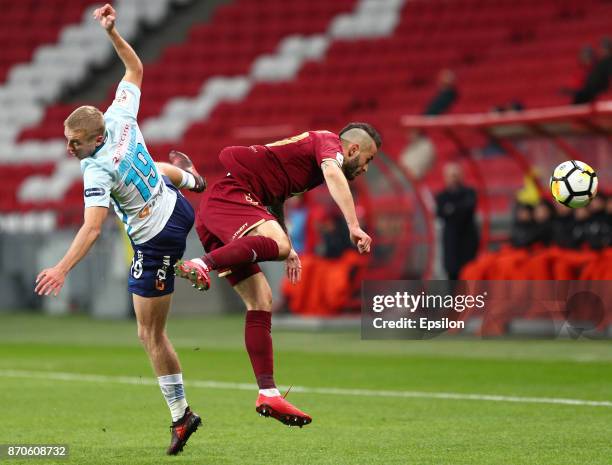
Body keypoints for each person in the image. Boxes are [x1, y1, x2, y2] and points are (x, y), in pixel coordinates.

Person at [34, 4, 205, 456]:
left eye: (74, 142)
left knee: (149, 334)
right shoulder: (119, 117)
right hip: (177, 208)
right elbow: (135, 66)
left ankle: (182, 415)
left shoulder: (95, 170)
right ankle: (193, 180)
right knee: (149, 166)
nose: (69, 147)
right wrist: (113, 32)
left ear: (93, 140)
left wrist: (62, 268)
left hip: (156, 237)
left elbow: (92, 230)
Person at [175, 123, 381, 427]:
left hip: (223, 209)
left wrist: (287, 244)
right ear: (351, 149)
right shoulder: (327, 143)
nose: (365, 167)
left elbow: (274, 200)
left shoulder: (303, 167)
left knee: (261, 299)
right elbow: (334, 173)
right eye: (368, 159)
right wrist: (353, 224)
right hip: (232, 197)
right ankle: (202, 264)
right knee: (278, 248)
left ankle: (268, 393)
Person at [435, 163, 479, 280]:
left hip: (467, 244)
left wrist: (452, 209)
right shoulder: (441, 196)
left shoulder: (469, 193)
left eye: (455, 175)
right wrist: (457, 209)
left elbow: (468, 208)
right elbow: (440, 213)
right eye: (451, 176)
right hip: (451, 246)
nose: (453, 179)